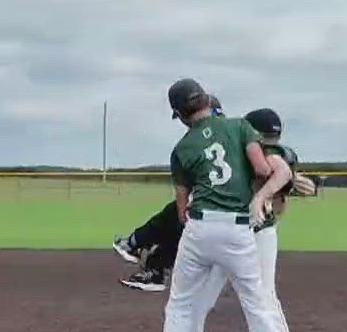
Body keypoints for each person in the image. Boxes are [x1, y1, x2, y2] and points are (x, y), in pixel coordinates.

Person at [130, 79, 315, 332]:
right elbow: (262, 169)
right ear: (207, 100)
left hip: (201, 229)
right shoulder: (240, 128)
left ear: (180, 114)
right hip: (240, 231)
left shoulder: (182, 148)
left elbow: (182, 208)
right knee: (258, 305)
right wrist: (262, 194)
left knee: (181, 306)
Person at [113, 104, 315, 292]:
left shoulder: (268, 154)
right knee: (179, 222)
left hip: (241, 228)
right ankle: (146, 256)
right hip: (237, 227)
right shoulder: (254, 151)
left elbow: (282, 174)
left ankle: (142, 252)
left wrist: (269, 193)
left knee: (254, 294)